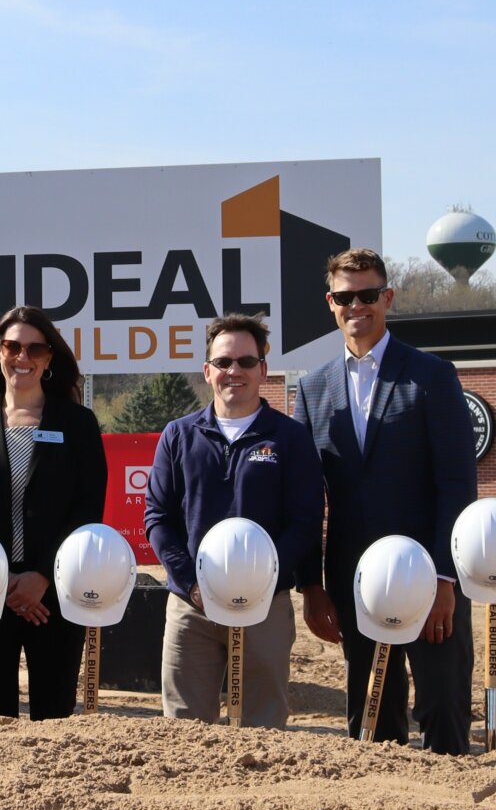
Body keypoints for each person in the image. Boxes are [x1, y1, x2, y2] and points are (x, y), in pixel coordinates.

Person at [293, 248, 476, 753]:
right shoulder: (312, 389)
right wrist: (312, 585)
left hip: (430, 581)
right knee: (373, 720)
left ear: (387, 298)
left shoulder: (433, 376)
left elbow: (458, 487)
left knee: (443, 713)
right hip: (355, 583)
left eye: (368, 295)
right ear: (331, 302)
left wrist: (445, 580)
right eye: (346, 297)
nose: (358, 306)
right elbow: (309, 498)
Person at [145, 314, 323, 729]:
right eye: (223, 362)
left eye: (246, 361)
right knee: (184, 730)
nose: (234, 371)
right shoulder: (178, 435)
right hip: (193, 608)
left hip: (267, 606)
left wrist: (259, 579)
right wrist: (190, 582)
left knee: (263, 729)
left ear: (263, 369)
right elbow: (158, 517)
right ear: (207, 371)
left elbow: (306, 520)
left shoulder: (290, 438)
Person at [0, 305, 106, 722]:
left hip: (54, 594)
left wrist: (41, 576)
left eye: (35, 349)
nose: (23, 357)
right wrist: (0, 579)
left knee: (55, 719)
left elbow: (88, 508)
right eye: (12, 346)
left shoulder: (79, 424)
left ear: (50, 358)